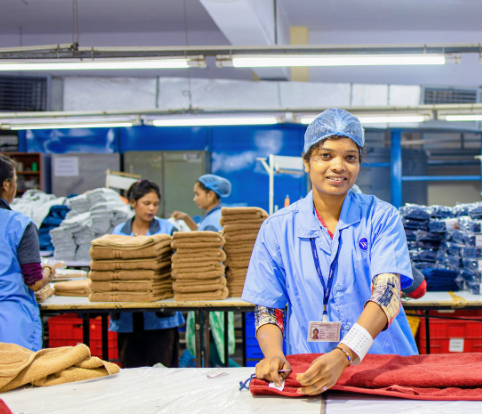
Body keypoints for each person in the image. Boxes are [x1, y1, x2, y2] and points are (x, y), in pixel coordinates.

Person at [243, 108, 417, 395]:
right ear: (306, 162)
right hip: (311, 368)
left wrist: (345, 354)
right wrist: (273, 353)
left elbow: (387, 295)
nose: (338, 166)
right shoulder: (277, 228)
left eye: (350, 157)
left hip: (384, 367)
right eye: (326, 156)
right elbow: (268, 308)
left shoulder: (381, 217)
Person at [0, 154, 61, 351]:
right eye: (14, 179)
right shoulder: (20, 224)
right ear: (6, 184)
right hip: (8, 327)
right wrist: (48, 270)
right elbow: (34, 282)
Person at [110, 180, 182, 368]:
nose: (151, 209)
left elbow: (180, 266)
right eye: (146, 203)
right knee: (131, 373)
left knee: (164, 372)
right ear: (133, 203)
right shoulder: (118, 232)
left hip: (161, 315)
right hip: (127, 314)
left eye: (155, 204)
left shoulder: (168, 230)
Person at [171, 175, 236, 367]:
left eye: (197, 194)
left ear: (210, 194)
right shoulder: (214, 216)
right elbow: (203, 234)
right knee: (212, 348)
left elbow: (206, 247)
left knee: (213, 349)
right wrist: (187, 219)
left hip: (209, 289)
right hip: (215, 288)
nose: (194, 198)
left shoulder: (213, 219)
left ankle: (245, 376)